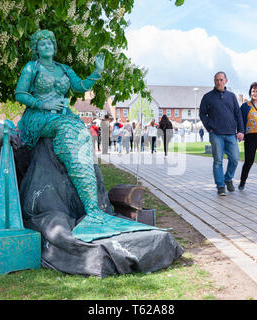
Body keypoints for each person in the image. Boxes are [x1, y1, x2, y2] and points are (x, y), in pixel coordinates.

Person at [14, 29, 156, 242]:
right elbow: (20, 93)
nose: (47, 47)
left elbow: (80, 86)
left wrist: (96, 72)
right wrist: (43, 103)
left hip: (62, 116)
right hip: (38, 116)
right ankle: (91, 209)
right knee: (68, 130)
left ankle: (94, 211)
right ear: (36, 48)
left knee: (81, 131)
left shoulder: (64, 68)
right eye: (42, 44)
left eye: (49, 43)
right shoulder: (31, 68)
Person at [199, 71, 244, 196]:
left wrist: (241, 131)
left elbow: (238, 114)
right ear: (214, 81)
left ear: (226, 81)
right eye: (216, 80)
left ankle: (228, 178)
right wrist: (209, 127)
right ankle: (220, 186)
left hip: (231, 133)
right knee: (218, 161)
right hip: (216, 134)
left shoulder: (232, 96)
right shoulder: (207, 97)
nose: (219, 82)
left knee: (235, 159)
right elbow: (202, 114)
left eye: (221, 80)